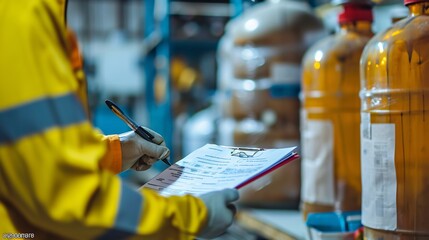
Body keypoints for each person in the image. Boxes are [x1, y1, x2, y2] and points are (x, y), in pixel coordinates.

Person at [0, 1, 239, 239]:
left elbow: (35, 157)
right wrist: (191, 217)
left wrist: (118, 151)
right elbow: (67, 196)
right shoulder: (24, 15)